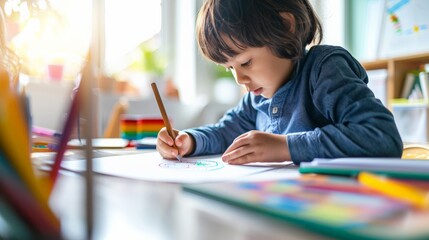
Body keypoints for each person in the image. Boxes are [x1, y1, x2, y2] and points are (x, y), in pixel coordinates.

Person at [156, 0, 403, 165]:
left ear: (285, 29)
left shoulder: (324, 69)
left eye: (246, 62)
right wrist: (189, 139)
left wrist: (286, 147)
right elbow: (226, 132)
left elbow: (381, 136)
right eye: (230, 68)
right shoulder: (257, 96)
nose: (240, 79)